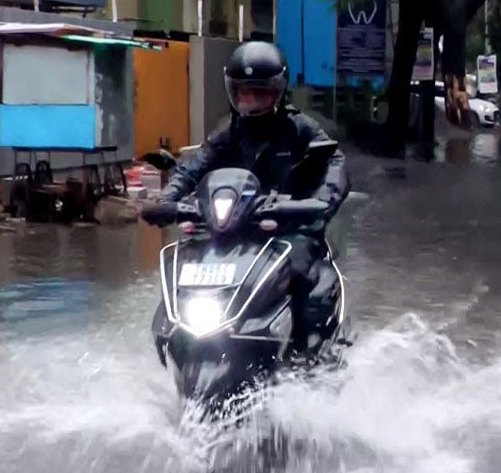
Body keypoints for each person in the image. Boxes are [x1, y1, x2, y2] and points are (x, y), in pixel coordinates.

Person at [140, 40, 351, 354]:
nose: (250, 101)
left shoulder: (300, 129)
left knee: (301, 273)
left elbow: (335, 162)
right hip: (233, 226)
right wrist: (167, 201)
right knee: (185, 262)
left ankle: (308, 356)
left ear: (277, 92)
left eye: (259, 93)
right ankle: (177, 338)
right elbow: (191, 170)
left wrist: (321, 201)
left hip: (288, 226)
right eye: (243, 93)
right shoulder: (227, 134)